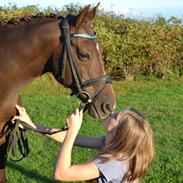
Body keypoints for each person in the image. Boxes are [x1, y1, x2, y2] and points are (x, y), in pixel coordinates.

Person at [12, 104, 154, 183]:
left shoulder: (114, 163)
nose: (112, 112)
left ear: (118, 133)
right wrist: (32, 125)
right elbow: (76, 139)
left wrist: (72, 131)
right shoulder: (111, 144)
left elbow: (61, 174)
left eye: (116, 116)